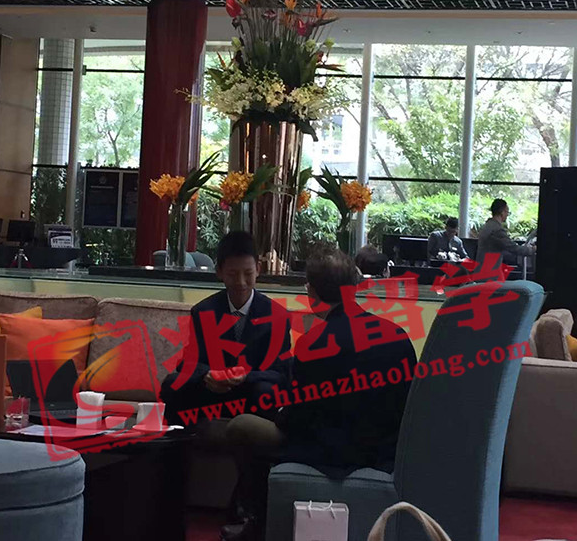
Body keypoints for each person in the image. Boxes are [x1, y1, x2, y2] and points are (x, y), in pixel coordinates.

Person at [221, 247, 416, 541]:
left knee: (241, 426)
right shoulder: (397, 334)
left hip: (334, 451)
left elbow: (298, 419)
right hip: (386, 450)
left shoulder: (314, 343)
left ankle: (256, 517)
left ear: (311, 292)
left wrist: (279, 413)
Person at [160, 231, 291, 426]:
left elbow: (281, 373)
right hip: (212, 393)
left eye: (248, 274)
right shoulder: (204, 311)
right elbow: (189, 362)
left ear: (258, 269)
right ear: (219, 272)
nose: (241, 282)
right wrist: (207, 375)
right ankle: (180, 440)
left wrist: (246, 376)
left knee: (267, 391)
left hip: (251, 394)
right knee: (172, 383)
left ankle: (258, 441)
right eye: (232, 274)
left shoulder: (277, 315)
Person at [477, 199, 535, 265]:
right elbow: (512, 247)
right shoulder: (497, 230)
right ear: (502, 212)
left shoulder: (487, 225)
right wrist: (531, 250)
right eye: (507, 212)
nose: (507, 215)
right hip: (490, 269)